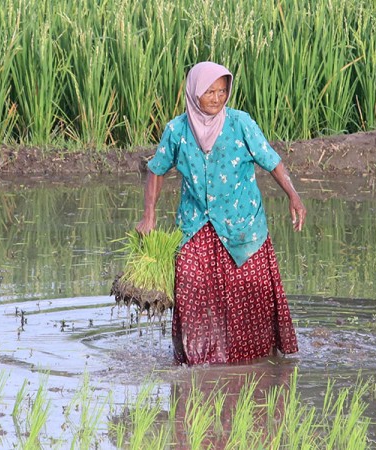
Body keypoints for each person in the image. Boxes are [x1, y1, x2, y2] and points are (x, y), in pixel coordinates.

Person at [135, 61, 305, 365]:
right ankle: (200, 363)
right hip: (195, 227)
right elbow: (156, 170)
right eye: (210, 92)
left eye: (222, 91)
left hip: (242, 228)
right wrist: (149, 215)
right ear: (193, 93)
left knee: (249, 299)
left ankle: (252, 366)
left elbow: (272, 161)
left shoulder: (241, 124)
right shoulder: (177, 130)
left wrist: (293, 195)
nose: (217, 98)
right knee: (190, 292)